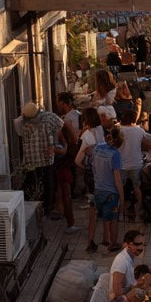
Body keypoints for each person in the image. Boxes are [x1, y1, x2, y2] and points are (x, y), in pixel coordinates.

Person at [13, 102, 65, 211]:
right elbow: (18, 132)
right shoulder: (21, 122)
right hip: (31, 162)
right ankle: (38, 210)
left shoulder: (50, 118)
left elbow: (61, 129)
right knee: (33, 188)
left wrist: (54, 144)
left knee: (48, 187)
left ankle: (47, 210)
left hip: (46, 161)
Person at [91, 124, 124, 253]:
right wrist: (122, 196)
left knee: (104, 218)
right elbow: (117, 179)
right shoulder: (115, 154)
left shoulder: (98, 148)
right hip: (111, 192)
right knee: (113, 219)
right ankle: (113, 243)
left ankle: (104, 240)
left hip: (98, 189)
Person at [76, 108, 105, 253]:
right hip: (103, 171)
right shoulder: (100, 130)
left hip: (93, 174)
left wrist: (86, 168)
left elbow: (77, 160)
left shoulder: (87, 135)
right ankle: (107, 239)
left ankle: (91, 241)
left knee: (93, 209)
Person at [117, 109, 151, 218]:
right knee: (137, 187)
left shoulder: (119, 130)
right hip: (136, 163)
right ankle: (139, 208)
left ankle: (120, 211)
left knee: (120, 189)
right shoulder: (139, 130)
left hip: (121, 164)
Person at [53, 96, 80, 232]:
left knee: (64, 193)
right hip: (64, 166)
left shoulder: (62, 136)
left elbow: (63, 149)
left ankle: (68, 220)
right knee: (65, 194)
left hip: (62, 166)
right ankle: (69, 222)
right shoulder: (68, 138)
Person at [109, 229, 146, 299]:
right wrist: (132, 288)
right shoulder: (121, 262)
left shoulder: (133, 254)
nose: (141, 248)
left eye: (143, 244)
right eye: (137, 244)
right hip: (122, 300)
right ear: (129, 244)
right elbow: (117, 291)